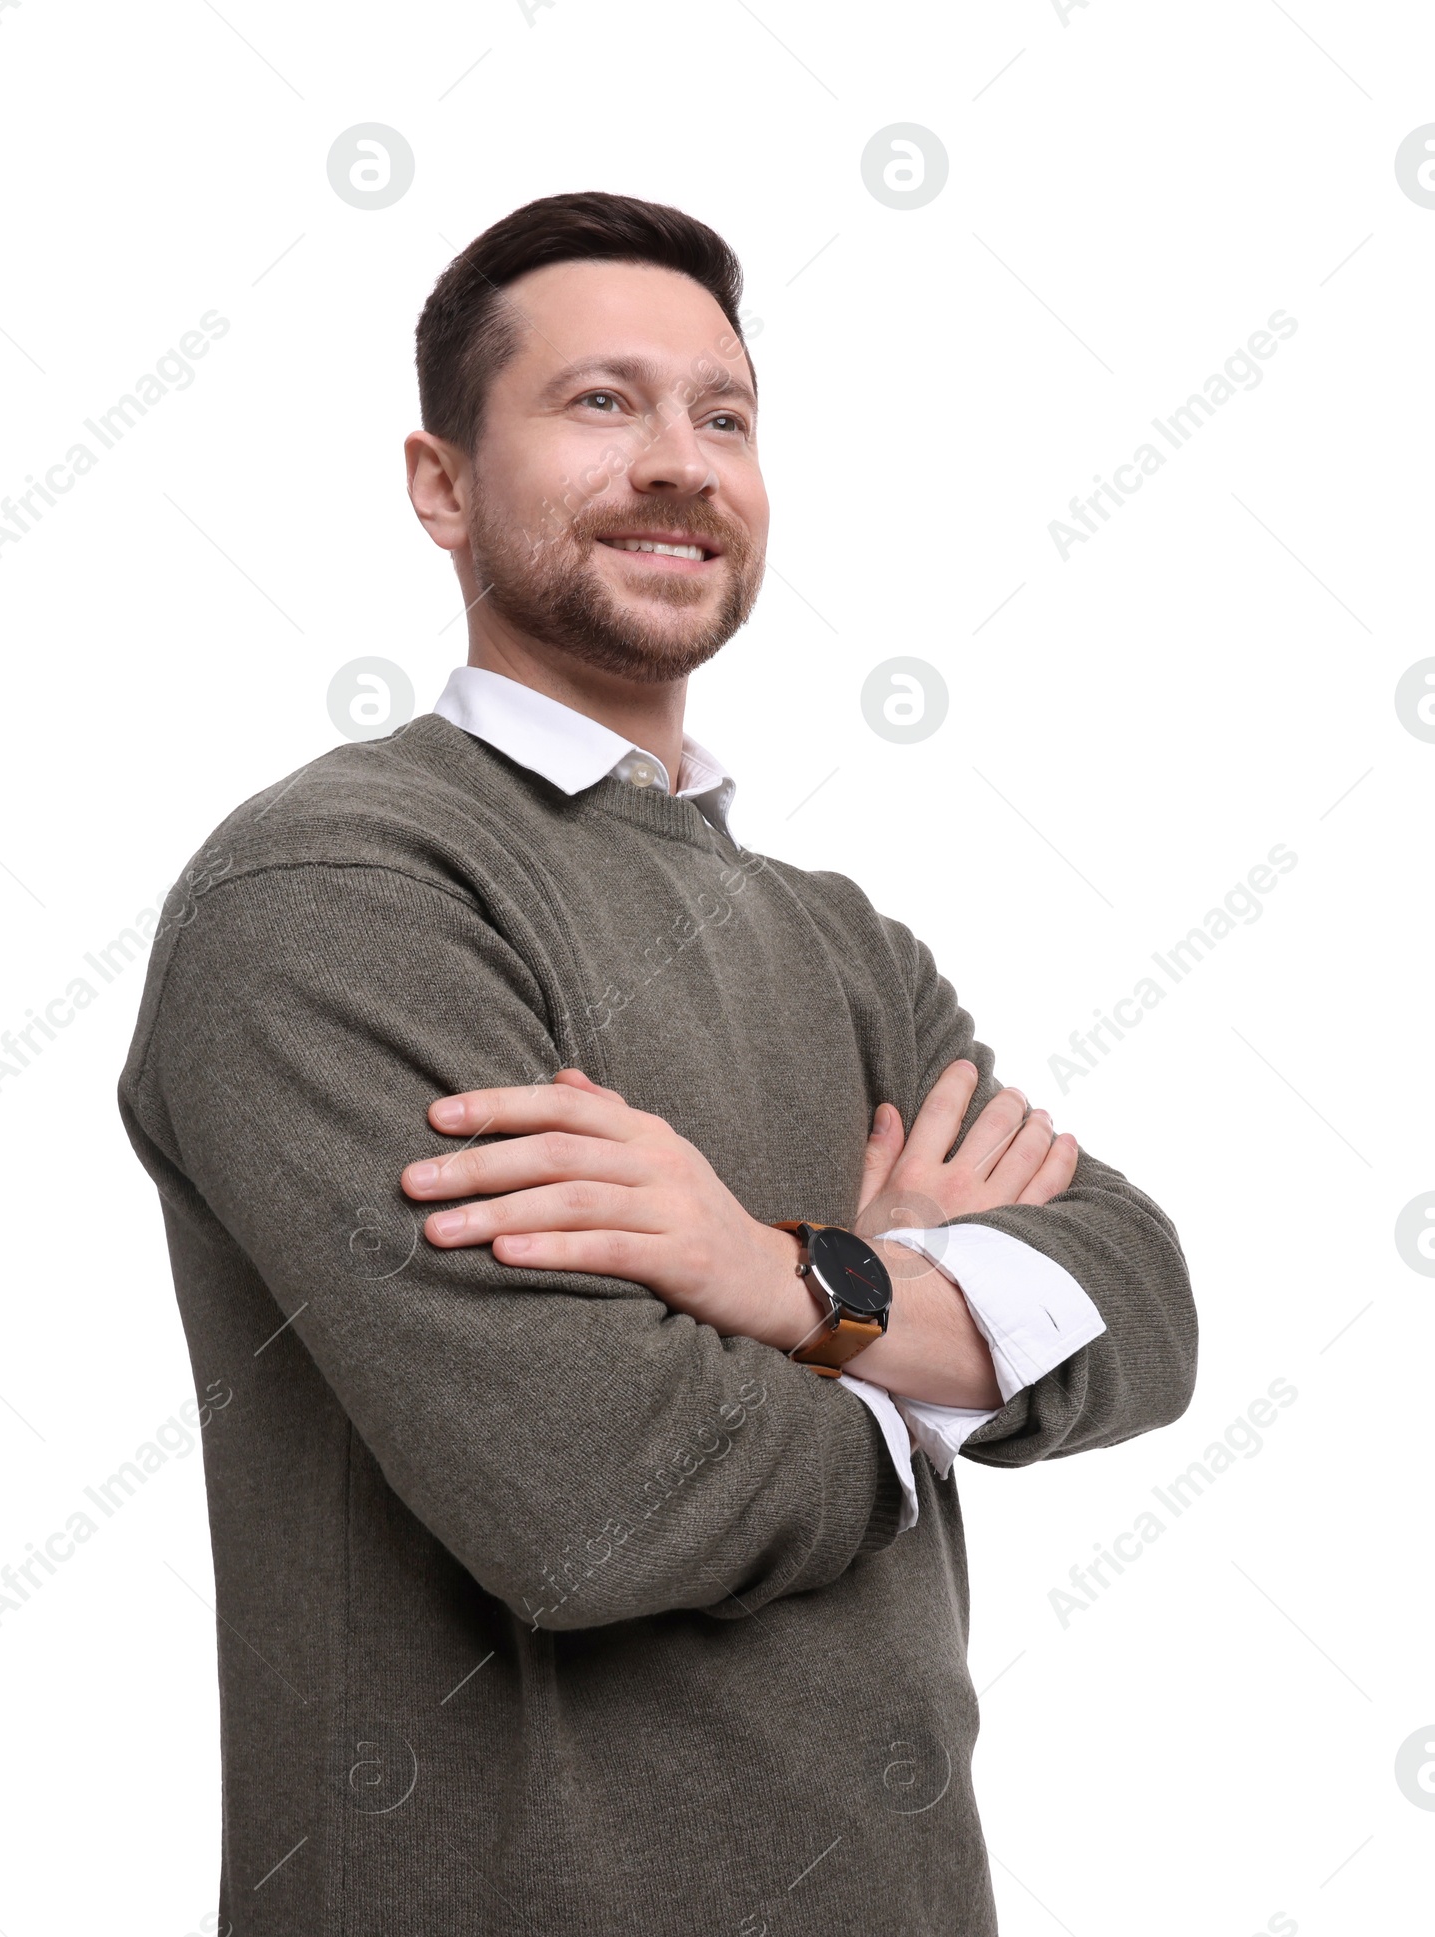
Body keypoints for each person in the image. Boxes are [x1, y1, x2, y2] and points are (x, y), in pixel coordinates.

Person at [119, 190, 1197, 1936]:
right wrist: (931, 1341)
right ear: (441, 484)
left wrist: (774, 1274)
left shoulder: (839, 932)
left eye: (725, 414)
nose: (681, 461)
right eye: (601, 403)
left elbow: (1141, 1304)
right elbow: (600, 1508)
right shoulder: (340, 894)